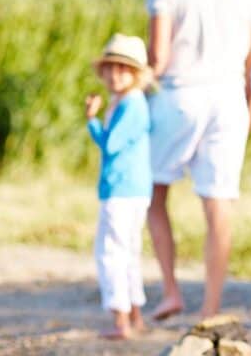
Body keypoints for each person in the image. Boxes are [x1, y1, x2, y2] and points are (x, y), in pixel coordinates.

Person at [145, 0, 251, 320]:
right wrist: (248, 108)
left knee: (155, 194)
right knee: (218, 205)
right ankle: (210, 308)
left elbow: (158, 57)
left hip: (179, 93)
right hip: (229, 98)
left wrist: (137, 87)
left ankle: (171, 289)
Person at [85, 34, 153, 340]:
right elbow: (111, 143)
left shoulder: (131, 105)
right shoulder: (127, 102)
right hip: (132, 189)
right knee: (128, 251)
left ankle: (120, 321)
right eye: (110, 68)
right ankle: (135, 317)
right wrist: (95, 121)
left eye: (123, 69)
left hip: (122, 190)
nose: (115, 75)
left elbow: (110, 144)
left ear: (137, 74)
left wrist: (93, 121)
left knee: (111, 252)